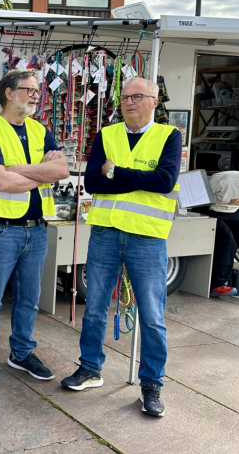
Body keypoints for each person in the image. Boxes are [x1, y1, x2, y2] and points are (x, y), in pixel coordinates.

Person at [61, 77, 182, 418]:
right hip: (105, 233)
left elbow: (165, 181)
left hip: (147, 236)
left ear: (154, 102)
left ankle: (152, 384)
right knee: (95, 307)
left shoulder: (169, 137)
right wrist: (123, 178)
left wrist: (117, 172)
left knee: (153, 316)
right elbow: (93, 181)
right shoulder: (106, 134)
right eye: (125, 97)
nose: (129, 102)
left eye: (137, 96)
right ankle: (89, 368)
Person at [0, 69, 69, 390]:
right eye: (30, 90)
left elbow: (62, 170)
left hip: (37, 230)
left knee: (29, 298)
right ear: (9, 93)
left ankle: (21, 354)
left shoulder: (41, 130)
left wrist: (20, 171)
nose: (36, 96)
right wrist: (43, 172)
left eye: (38, 91)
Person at [193, 171, 239, 297]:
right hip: (209, 210)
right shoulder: (225, 181)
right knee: (227, 240)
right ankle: (216, 284)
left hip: (232, 213)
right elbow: (198, 197)